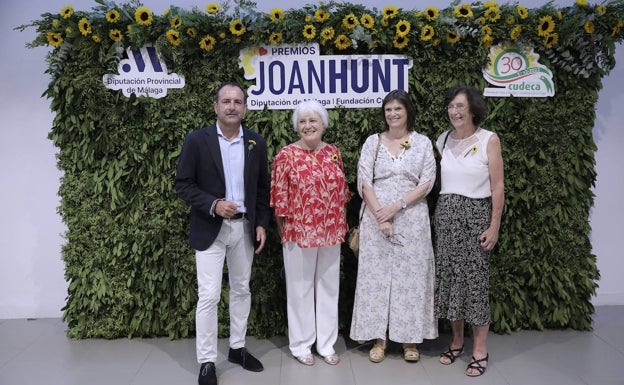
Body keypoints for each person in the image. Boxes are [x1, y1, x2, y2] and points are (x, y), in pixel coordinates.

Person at [175, 82, 270, 385]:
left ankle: (237, 348)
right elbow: (183, 184)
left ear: (245, 107)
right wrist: (214, 204)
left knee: (242, 290)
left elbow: (261, 188)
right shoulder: (196, 140)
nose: (232, 106)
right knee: (209, 296)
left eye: (238, 101)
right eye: (226, 101)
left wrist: (260, 223)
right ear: (215, 106)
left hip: (244, 227)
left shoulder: (256, 142)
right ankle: (206, 361)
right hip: (209, 228)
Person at [350, 89, 438, 363]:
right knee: (375, 280)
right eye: (388, 109)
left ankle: (409, 340)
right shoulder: (372, 142)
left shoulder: (422, 143)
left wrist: (396, 206)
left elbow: (427, 182)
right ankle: (379, 339)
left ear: (408, 111)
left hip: (412, 219)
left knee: (410, 279)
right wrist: (381, 215)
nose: (392, 114)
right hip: (377, 220)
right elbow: (364, 180)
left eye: (398, 108)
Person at [270, 99, 350, 366]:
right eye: (302, 121)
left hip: (330, 230)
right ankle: (301, 345)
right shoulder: (286, 155)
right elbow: (279, 199)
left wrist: (341, 223)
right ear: (296, 126)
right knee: (300, 289)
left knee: (329, 287)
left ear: (323, 123)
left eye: (313, 120)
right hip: (298, 232)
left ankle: (326, 344)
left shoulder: (334, 152)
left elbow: (343, 191)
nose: (308, 125)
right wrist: (285, 233)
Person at [434, 85, 504, 377]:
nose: (455, 112)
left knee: (475, 285)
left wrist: (494, 224)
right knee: (450, 283)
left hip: (476, 219)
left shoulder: (489, 139)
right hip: (446, 218)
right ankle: (457, 341)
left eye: (460, 106)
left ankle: (479, 349)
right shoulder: (442, 140)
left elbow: (498, 185)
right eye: (451, 106)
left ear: (473, 109)